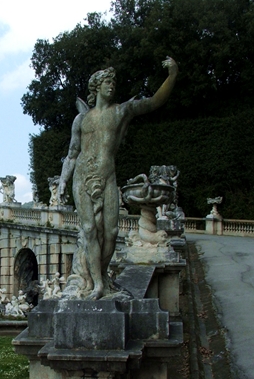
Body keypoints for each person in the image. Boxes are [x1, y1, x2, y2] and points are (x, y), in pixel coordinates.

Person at [59, 57, 178, 299]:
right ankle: (98, 285)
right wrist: (63, 180)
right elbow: (72, 154)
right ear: (97, 87)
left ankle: (101, 275)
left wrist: (172, 75)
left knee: (111, 232)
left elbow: (154, 102)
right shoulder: (81, 119)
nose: (111, 86)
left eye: (113, 82)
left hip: (107, 176)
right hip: (82, 177)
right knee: (90, 230)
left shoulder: (121, 111)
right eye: (107, 82)